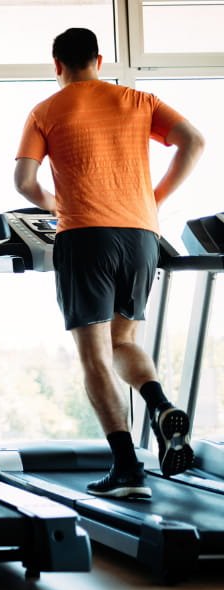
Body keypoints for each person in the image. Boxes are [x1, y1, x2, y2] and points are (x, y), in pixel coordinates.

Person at [14, 28, 204, 498]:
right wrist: (151, 200)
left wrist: (55, 204)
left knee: (95, 353)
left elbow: (23, 182)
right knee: (124, 340)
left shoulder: (44, 111)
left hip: (85, 235)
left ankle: (127, 470)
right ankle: (159, 404)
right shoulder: (138, 100)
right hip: (141, 235)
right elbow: (193, 143)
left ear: (57, 64)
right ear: (100, 60)